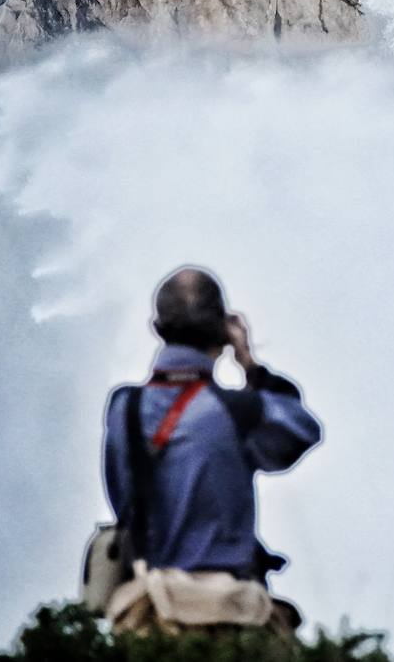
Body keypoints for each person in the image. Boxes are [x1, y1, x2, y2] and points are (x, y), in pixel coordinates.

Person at [100, 266, 323, 636]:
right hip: (229, 615)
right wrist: (251, 366)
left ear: (157, 328)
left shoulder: (124, 410)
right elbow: (301, 429)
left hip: (150, 614)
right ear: (222, 331)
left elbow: (120, 493)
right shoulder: (238, 411)